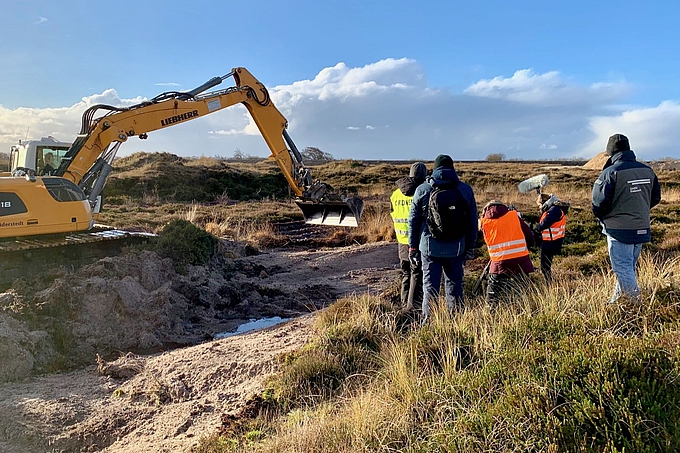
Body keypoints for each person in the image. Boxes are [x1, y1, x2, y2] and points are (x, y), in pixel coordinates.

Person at [592, 133, 661, 303]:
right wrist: (639, 211)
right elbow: (656, 198)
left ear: (611, 152)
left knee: (622, 269)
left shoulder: (610, 172)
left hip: (618, 230)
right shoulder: (647, 171)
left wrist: (607, 218)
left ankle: (637, 306)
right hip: (641, 227)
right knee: (627, 268)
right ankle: (614, 302)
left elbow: (599, 204)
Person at [407, 154, 477, 322]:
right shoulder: (465, 190)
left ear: (434, 169)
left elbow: (413, 221)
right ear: (452, 168)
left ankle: (429, 326)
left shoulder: (423, 190)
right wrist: (470, 247)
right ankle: (456, 325)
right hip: (457, 248)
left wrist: (413, 247)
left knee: (430, 288)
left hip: (429, 248)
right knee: (455, 287)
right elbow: (473, 221)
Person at [480, 200, 535, 305]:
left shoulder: (484, 221)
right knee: (523, 290)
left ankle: (490, 312)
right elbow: (528, 233)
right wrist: (531, 243)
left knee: (493, 293)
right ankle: (523, 309)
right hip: (520, 260)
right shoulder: (514, 216)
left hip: (499, 262)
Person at [390, 162, 427, 317]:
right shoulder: (422, 192)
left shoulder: (395, 194)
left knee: (406, 273)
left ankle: (403, 303)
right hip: (416, 241)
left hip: (401, 240)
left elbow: (392, 214)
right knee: (417, 274)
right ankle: (412, 309)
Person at [534, 193, 569, 283]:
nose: (540, 207)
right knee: (546, 265)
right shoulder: (555, 209)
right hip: (553, 241)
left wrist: (537, 229)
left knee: (545, 266)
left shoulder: (554, 211)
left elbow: (545, 223)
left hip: (550, 242)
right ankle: (549, 283)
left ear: (545, 203)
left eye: (540, 205)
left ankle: (549, 284)